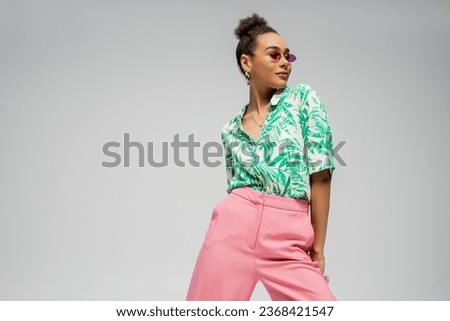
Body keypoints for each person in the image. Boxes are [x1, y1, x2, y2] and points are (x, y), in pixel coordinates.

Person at [186, 13, 337, 301]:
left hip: (287, 235)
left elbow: (321, 173)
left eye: (288, 57)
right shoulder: (230, 129)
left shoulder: (303, 100)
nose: (284, 62)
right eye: (274, 55)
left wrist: (317, 247)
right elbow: (235, 187)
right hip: (231, 232)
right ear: (247, 62)